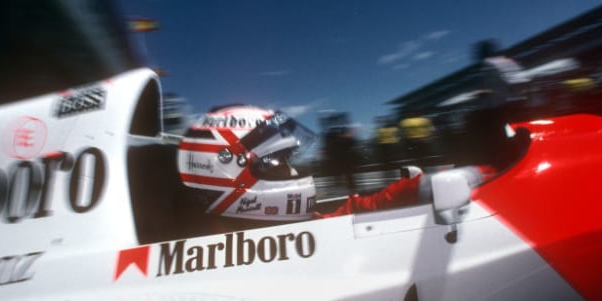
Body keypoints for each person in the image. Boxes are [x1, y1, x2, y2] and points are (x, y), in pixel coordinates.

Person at [176, 105, 425, 232]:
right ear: (229, 172)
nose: (294, 172)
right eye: (279, 162)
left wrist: (408, 191)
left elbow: (338, 218)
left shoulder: (277, 230)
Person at [465, 40, 523, 167]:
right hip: (511, 109)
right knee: (511, 143)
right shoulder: (507, 63)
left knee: (501, 145)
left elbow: (483, 90)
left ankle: (506, 163)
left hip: (497, 112)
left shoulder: (487, 66)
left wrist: (481, 93)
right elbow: (519, 84)